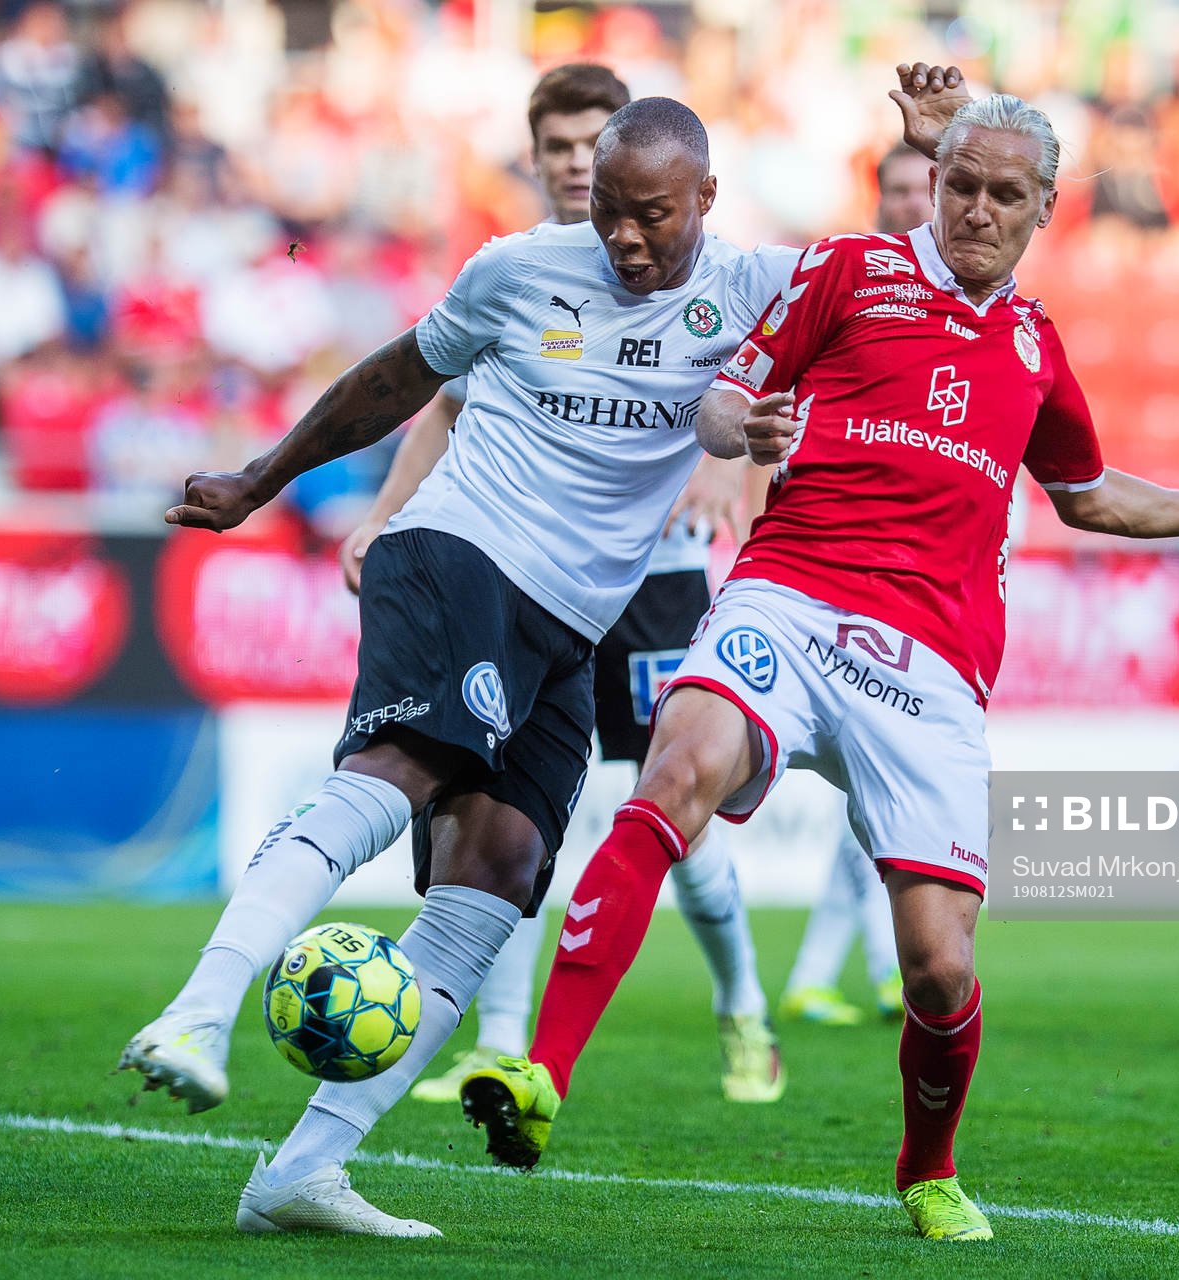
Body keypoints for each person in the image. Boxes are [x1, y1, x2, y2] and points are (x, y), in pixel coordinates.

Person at [117, 67, 972, 1238]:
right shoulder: (518, 270)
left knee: (504, 872)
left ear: (707, 196)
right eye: (607, 206)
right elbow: (394, 382)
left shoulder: (755, 286)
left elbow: (906, 282)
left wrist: (930, 155)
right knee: (404, 773)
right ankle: (199, 1010)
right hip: (458, 554)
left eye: (649, 213)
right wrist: (261, 480)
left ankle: (302, 1170)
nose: (619, 232)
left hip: (569, 624)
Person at [463, 94, 1179, 1244]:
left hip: (931, 663)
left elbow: (1088, 493)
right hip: (791, 596)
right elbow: (718, 397)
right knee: (673, 770)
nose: (977, 210)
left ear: (1043, 211)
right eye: (961, 184)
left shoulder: (1035, 347)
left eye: (1006, 195)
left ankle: (928, 1166)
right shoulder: (850, 269)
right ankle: (538, 1071)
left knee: (939, 966)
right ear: (931, 176)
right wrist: (739, 424)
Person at [337, 64, 781, 1107]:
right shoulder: (520, 272)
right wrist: (385, 514)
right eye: (561, 148)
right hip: (523, 560)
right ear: (538, 159)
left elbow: (765, 378)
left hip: (652, 576)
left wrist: (730, 464)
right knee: (506, 796)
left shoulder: (703, 268)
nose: (579, 162)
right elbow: (444, 408)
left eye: (595, 143)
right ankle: (494, 1040)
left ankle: (742, 1010)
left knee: (676, 808)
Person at [777, 143, 936, 1028]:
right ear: (878, 201)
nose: (914, 206)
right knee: (881, 793)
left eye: (927, 190)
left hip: (942, 596)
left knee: (875, 800)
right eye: (900, 192)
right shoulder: (850, 295)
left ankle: (818, 972)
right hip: (852, 584)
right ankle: (883, 967)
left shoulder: (988, 315)